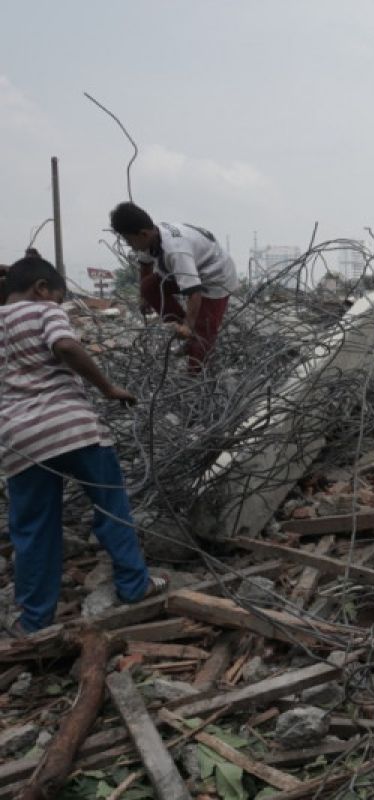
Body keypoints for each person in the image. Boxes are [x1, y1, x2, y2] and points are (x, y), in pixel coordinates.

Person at [1, 256, 167, 636]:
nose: (56, 303)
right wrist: (108, 388)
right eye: (57, 297)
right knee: (111, 505)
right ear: (43, 289)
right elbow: (65, 347)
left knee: (33, 530)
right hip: (73, 427)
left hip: (21, 443)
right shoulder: (44, 310)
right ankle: (133, 584)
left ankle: (34, 620)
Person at [108, 202, 239, 372]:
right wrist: (143, 298)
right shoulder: (151, 238)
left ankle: (197, 377)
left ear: (143, 234)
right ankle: (188, 338)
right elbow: (145, 266)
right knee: (149, 287)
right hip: (192, 269)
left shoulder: (176, 251)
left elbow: (194, 293)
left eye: (128, 240)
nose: (128, 244)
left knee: (203, 330)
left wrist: (189, 326)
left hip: (216, 277)